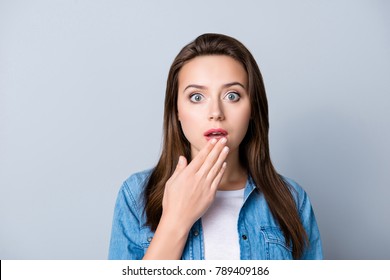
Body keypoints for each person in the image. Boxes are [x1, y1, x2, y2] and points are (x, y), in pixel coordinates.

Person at [108, 33, 323, 260]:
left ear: (252, 109)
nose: (216, 113)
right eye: (197, 97)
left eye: (232, 95)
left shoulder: (292, 200)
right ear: (176, 111)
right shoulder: (136, 196)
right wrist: (176, 220)